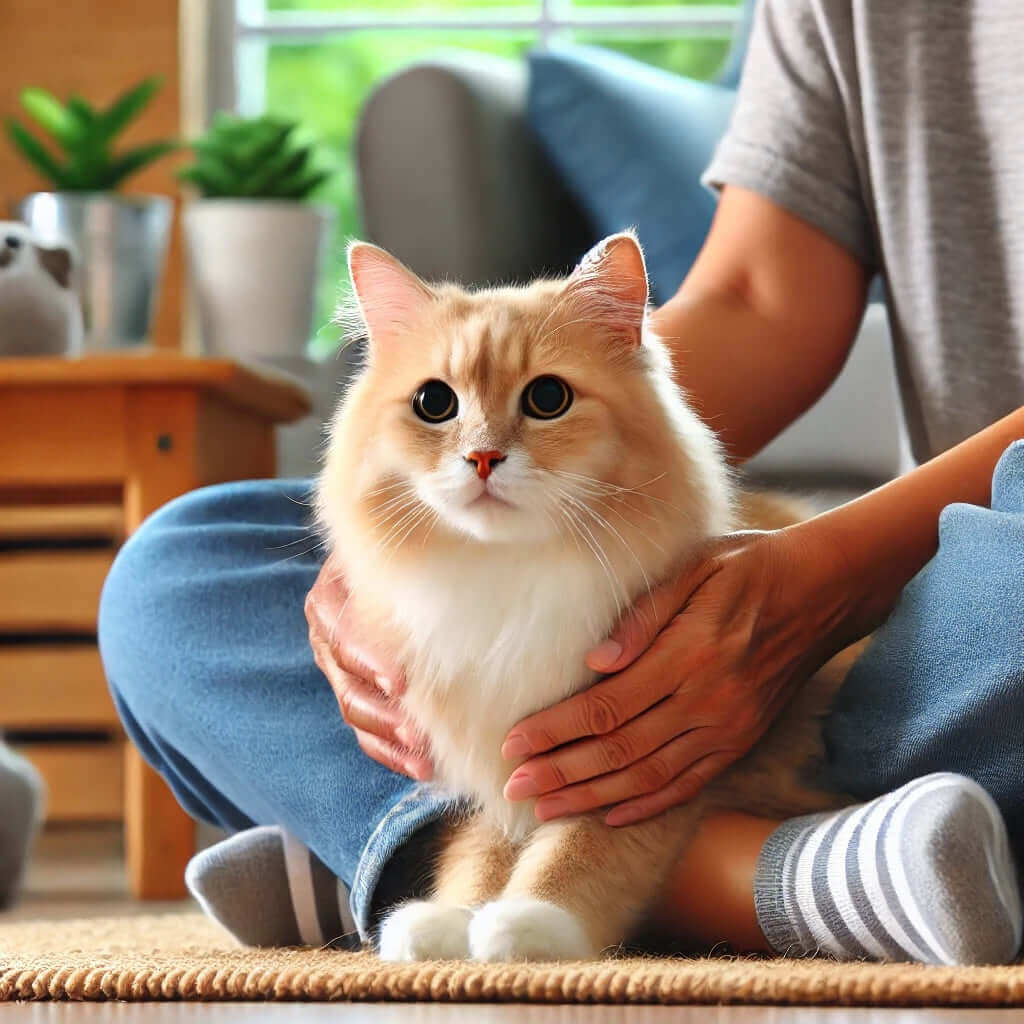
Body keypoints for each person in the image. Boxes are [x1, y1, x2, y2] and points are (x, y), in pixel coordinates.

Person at [99, 0, 1024, 962]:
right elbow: (758, 295)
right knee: (176, 573)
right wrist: (372, 565)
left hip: (969, 567)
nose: (483, 447)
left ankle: (395, 852)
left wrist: (824, 584)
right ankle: (800, 874)